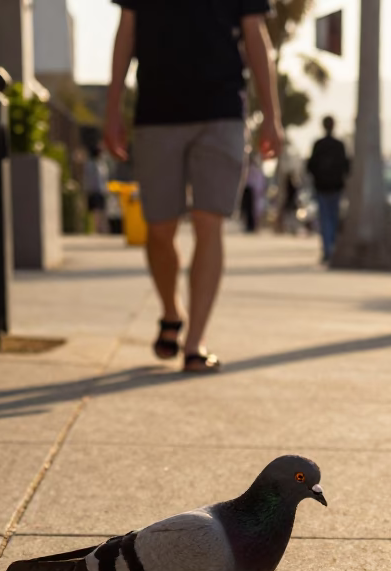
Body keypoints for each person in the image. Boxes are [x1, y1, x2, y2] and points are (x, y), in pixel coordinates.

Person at [103, 0, 283, 373]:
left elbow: (256, 37)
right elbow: (126, 32)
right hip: (156, 112)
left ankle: (194, 341)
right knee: (160, 226)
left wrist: (271, 117)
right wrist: (112, 108)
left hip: (221, 112)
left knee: (208, 221)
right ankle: (171, 312)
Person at [306, 115, 350, 263]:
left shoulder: (319, 145)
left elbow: (310, 166)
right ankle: (331, 248)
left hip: (322, 187)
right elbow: (346, 167)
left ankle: (328, 250)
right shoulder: (339, 145)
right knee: (333, 218)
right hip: (335, 187)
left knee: (326, 219)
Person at [82, 145, 110, 234]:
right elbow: (88, 178)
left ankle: (101, 228)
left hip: (101, 190)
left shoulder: (101, 164)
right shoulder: (90, 164)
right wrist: (87, 189)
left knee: (101, 210)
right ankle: (96, 228)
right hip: (94, 190)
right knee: (95, 210)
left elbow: (104, 178)